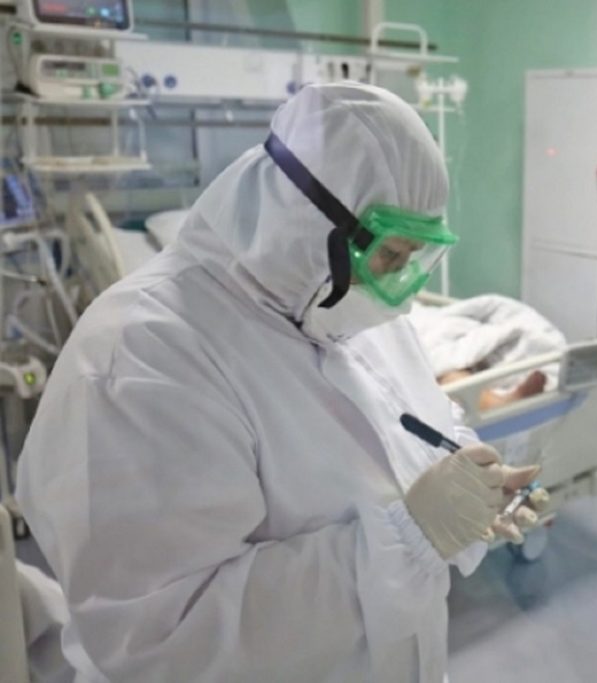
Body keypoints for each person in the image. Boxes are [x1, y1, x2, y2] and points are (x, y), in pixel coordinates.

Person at [16, 83, 544, 682]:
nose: (398, 289)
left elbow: (419, 419)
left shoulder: (344, 304)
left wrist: (469, 479)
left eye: (411, 259)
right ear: (305, 220)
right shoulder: (141, 357)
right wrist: (412, 538)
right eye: (390, 255)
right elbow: (167, 641)